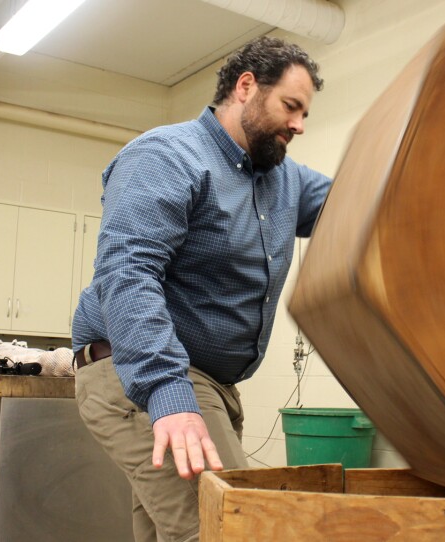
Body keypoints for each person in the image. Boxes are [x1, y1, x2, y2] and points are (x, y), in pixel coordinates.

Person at [72, 35, 331, 542]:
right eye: (291, 107)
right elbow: (128, 275)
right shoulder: (167, 157)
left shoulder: (285, 179)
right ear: (246, 86)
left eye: (305, 114)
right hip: (141, 374)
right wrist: (170, 395)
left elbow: (358, 204)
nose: (299, 125)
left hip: (210, 386)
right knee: (234, 531)